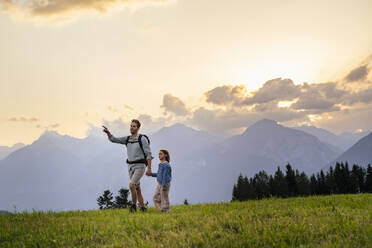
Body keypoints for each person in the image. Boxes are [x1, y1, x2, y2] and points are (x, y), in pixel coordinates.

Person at [102, 119, 153, 212]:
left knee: (131, 185)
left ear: (138, 128)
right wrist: (108, 133)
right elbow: (114, 139)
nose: (131, 128)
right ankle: (143, 208)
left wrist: (149, 168)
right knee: (137, 188)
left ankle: (133, 206)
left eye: (134, 126)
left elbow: (148, 154)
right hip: (130, 166)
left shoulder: (142, 139)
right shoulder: (127, 139)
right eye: (131, 126)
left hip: (140, 166)